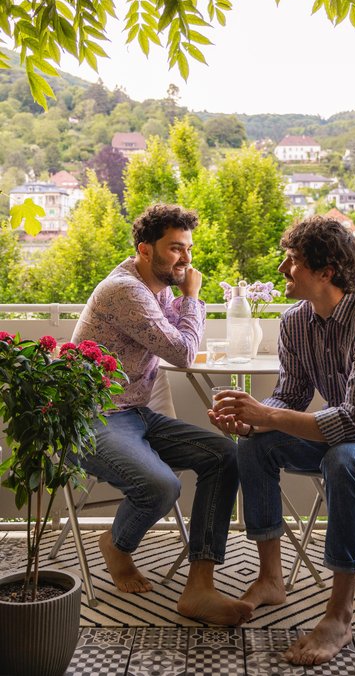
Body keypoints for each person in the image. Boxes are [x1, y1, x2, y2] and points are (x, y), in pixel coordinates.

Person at [211, 215, 355, 662]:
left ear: (326, 271)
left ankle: (339, 614)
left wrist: (267, 414)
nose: (281, 270)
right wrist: (249, 423)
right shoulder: (295, 322)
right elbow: (290, 397)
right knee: (255, 446)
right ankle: (271, 578)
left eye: (292, 260)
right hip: (352, 433)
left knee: (345, 459)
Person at [72, 202, 252, 626]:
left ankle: (200, 587)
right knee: (160, 486)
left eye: (187, 248)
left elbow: (174, 336)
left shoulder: (156, 286)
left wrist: (182, 300)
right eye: (175, 249)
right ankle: (116, 545)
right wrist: (193, 297)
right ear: (145, 249)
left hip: (134, 413)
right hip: (93, 419)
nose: (186, 259)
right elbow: (183, 352)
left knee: (225, 454)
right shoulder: (126, 291)